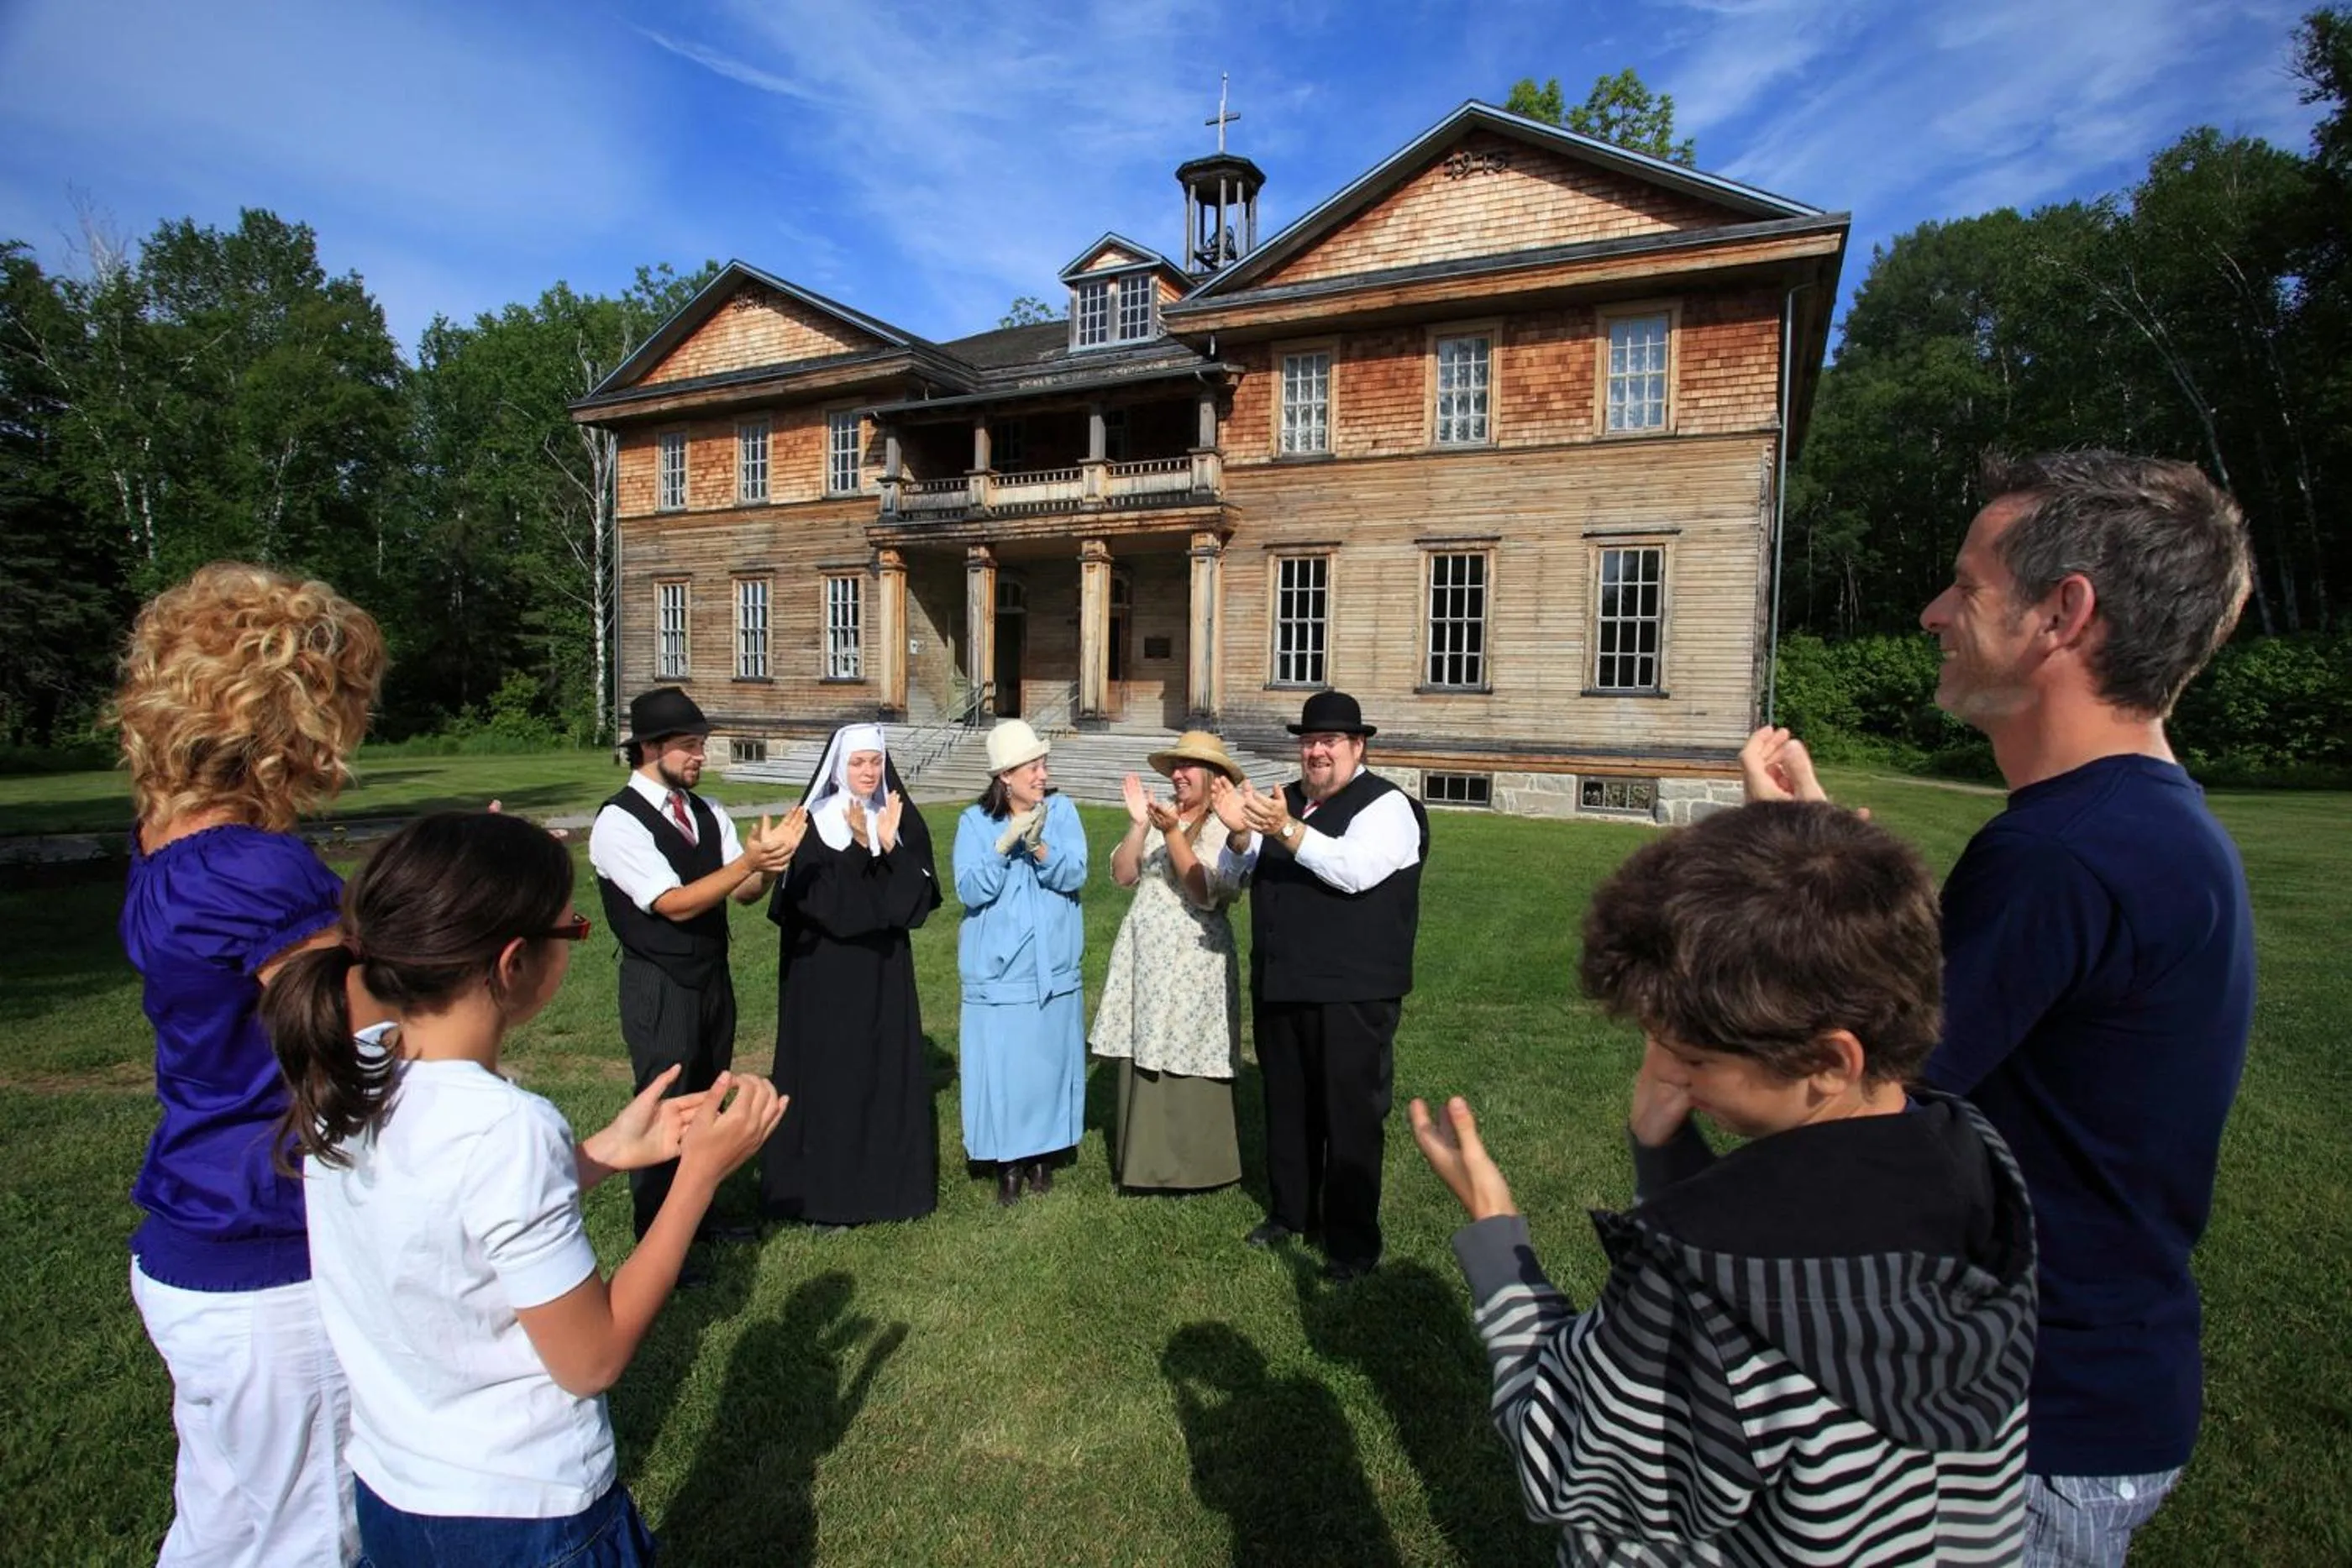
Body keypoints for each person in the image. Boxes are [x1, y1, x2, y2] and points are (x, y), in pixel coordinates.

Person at [1743, 449, 2255, 1565]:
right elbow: (1962, 1005)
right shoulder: (2145, 824)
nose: (1933, 610)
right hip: (2092, 1395)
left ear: (2063, 613)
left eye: (1967, 585)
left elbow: (1862, 1105)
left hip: (2027, 1429)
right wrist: (1830, 835)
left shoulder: (2063, 853)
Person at [1414, 801, 2038, 1564]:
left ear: (1830, 1061)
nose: (1661, 1072)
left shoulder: (1709, 1294)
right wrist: (1664, 1151)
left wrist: (1496, 1239)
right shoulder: (1978, 1162)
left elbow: (1565, 1460)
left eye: (1693, 1057)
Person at [266, 810, 787, 1565]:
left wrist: (606, 1151)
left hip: (393, 1490)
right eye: (570, 929)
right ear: (514, 964)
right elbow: (593, 1357)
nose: (575, 939)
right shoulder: (505, 1128)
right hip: (525, 1511)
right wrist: (698, 1176)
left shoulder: (352, 1072)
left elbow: (447, 1215)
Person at [111, 561, 386, 1565]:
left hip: (192, 1233)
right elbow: (359, 1038)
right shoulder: (253, 865)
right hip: (270, 1249)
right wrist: (467, 918)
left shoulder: (164, 841)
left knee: (224, 1523)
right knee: (312, 1536)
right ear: (296, 709)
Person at [1212, 690, 1425, 1282]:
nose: (1318, 751)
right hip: (1284, 982)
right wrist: (1236, 835)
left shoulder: (1389, 808)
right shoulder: (1288, 801)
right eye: (1309, 741)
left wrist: (1283, 829)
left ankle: (1353, 1245)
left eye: (1331, 740)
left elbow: (1353, 871)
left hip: (1353, 991)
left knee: (1350, 1116)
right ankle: (1290, 1212)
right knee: (1288, 1106)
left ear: (1359, 747)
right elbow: (1236, 874)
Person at [589, 687, 801, 1243]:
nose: (700, 756)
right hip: (658, 981)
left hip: (711, 975)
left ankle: (700, 1219)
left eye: (702, 744)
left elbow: (744, 892)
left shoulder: (709, 812)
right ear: (651, 748)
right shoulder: (619, 821)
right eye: (688, 746)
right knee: (665, 1102)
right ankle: (658, 1234)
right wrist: (747, 864)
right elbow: (673, 902)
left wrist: (770, 863)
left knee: (708, 1095)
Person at [760, 723, 942, 1228]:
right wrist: (865, 852)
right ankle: (826, 1199)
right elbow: (829, 910)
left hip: (883, 975)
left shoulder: (898, 818)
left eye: (875, 762)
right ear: (839, 767)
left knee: (884, 1075)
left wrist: (887, 849)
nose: (868, 772)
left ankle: (891, 1192)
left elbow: (915, 905)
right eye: (859, 763)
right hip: (826, 977)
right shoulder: (814, 824)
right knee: (832, 1081)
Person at [1089, 731, 1248, 1193]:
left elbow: (1203, 892)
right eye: (1175, 767)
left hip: (1194, 958)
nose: (1178, 775)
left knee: (1190, 1048)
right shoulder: (1166, 817)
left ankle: (1196, 1167)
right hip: (1149, 958)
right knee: (1148, 1045)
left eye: (1188, 767)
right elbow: (1123, 875)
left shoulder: (1226, 826)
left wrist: (1172, 833)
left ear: (1213, 776)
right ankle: (1145, 1161)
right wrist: (1140, 825)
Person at [953, 718, 1089, 1205]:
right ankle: (1008, 1162)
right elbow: (970, 889)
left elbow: (1075, 874)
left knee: (1048, 1062)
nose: (1040, 773)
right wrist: (1004, 844)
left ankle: (1042, 1157)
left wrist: (1040, 847)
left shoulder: (1064, 812)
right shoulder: (974, 822)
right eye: (1031, 766)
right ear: (1004, 776)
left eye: (1042, 764)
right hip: (999, 971)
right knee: (1006, 1067)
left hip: (1052, 964)